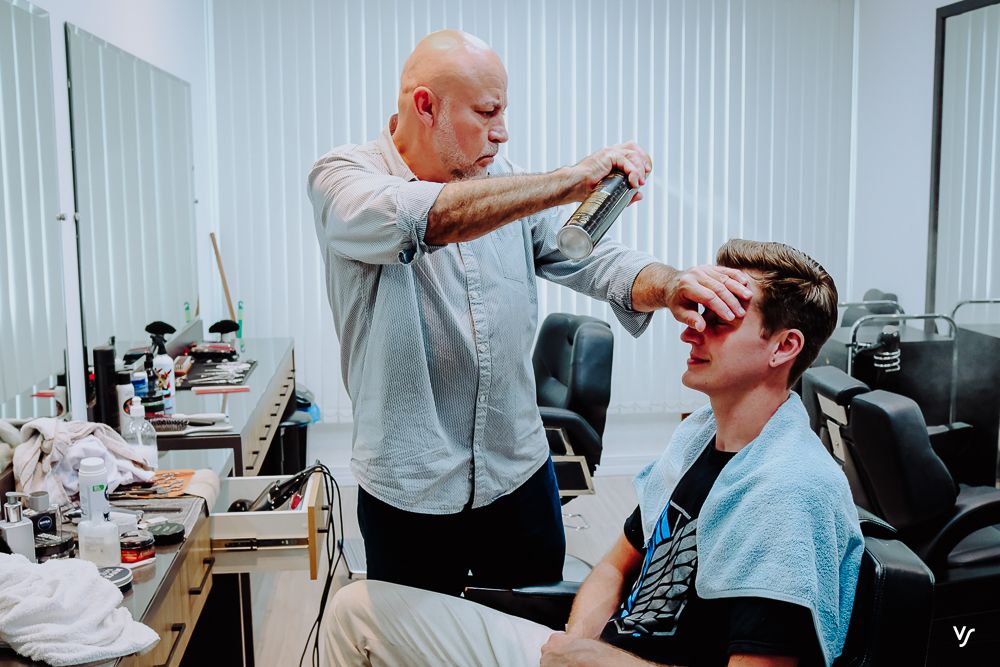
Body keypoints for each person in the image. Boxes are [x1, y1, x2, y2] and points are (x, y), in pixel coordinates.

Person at [307, 28, 753, 597]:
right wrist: (571, 180)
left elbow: (591, 258)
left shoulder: (501, 182)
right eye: (487, 111)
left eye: (504, 111)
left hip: (516, 474)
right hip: (410, 488)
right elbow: (427, 218)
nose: (502, 130)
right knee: (420, 647)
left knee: (531, 636)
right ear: (426, 106)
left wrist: (670, 286)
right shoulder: (344, 180)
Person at [323, 239, 865, 667]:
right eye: (696, 311)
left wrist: (596, 661)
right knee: (357, 609)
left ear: (784, 346)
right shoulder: (703, 437)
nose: (691, 331)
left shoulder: (787, 492)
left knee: (358, 619)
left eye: (719, 320)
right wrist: (577, 647)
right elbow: (614, 565)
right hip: (599, 652)